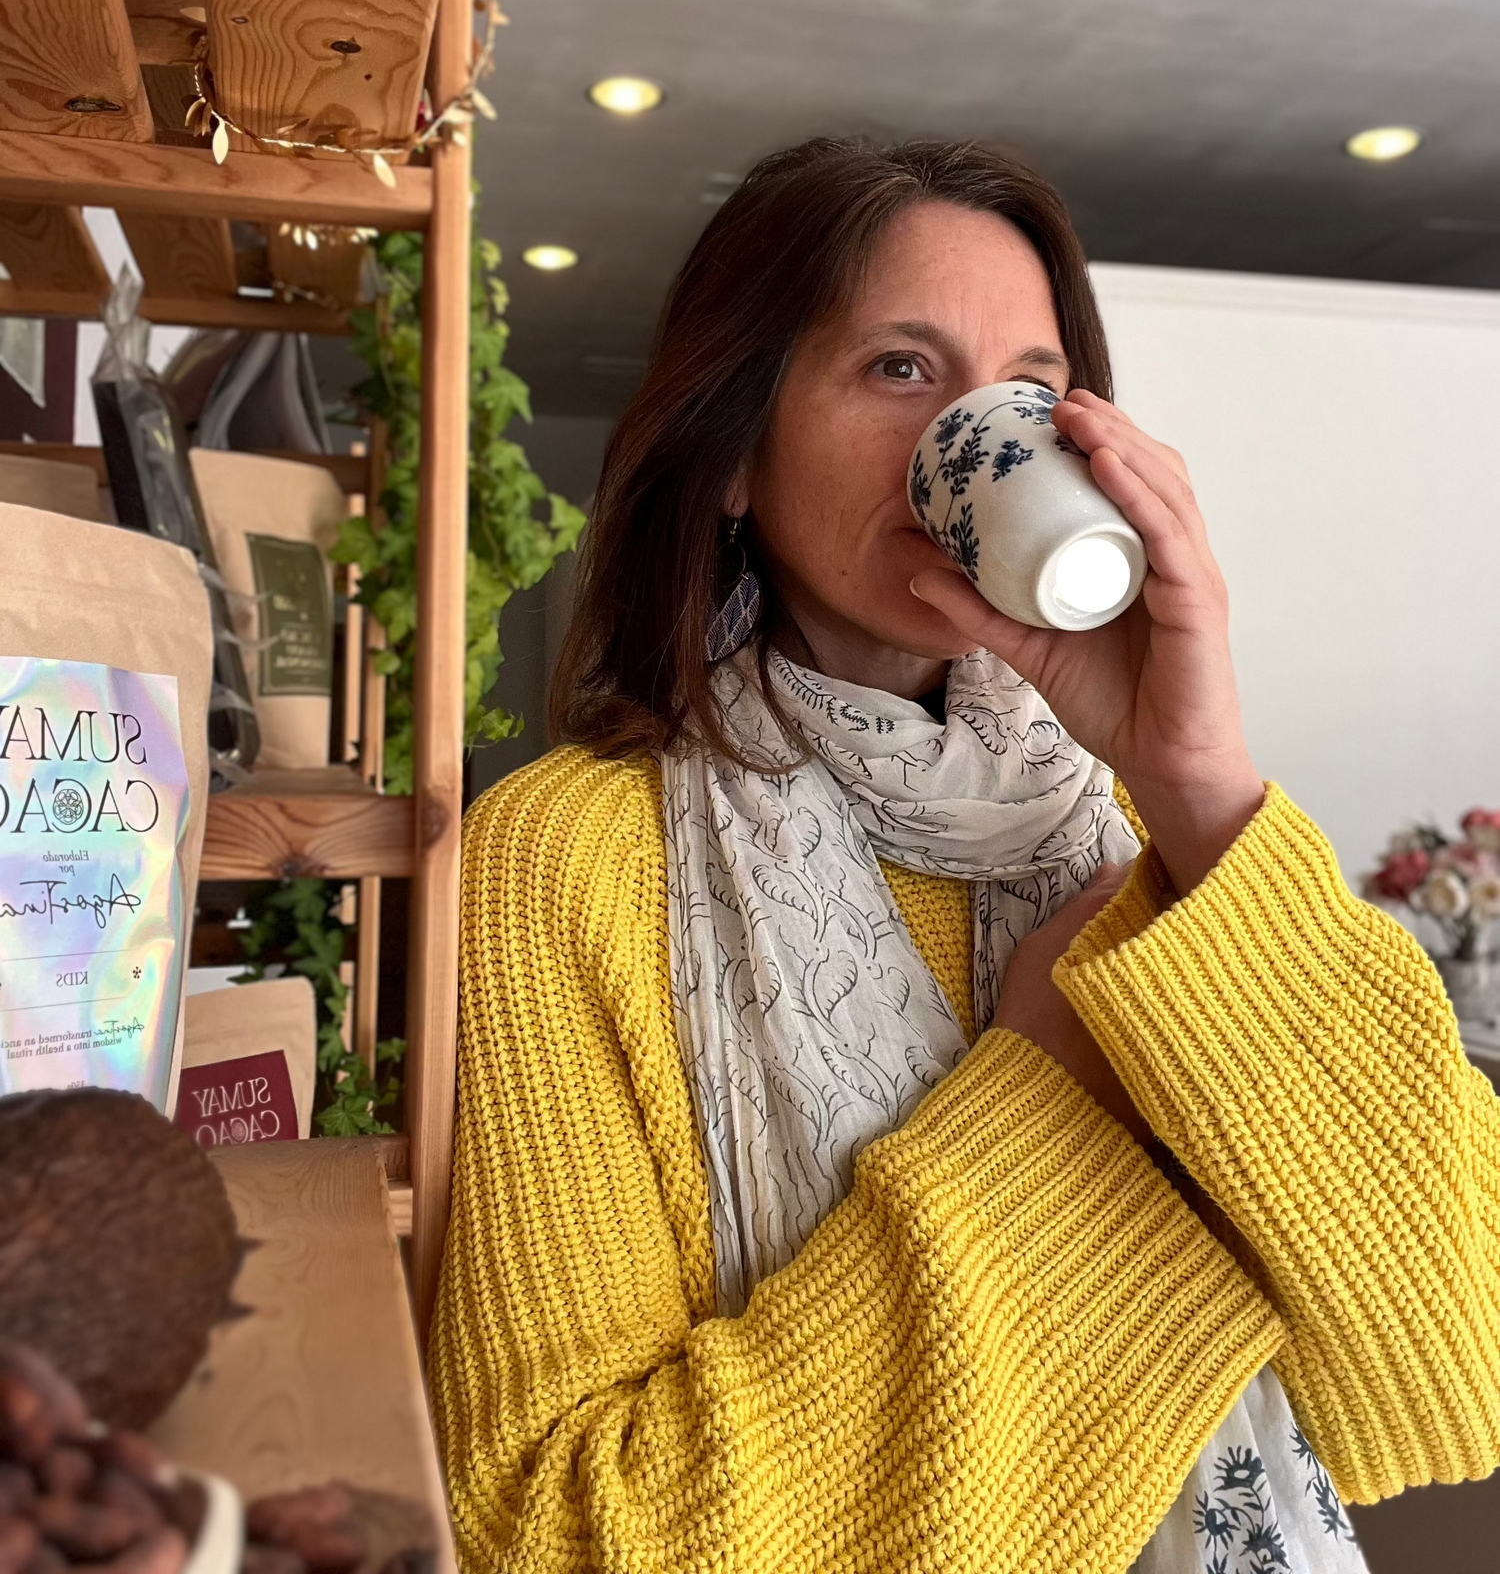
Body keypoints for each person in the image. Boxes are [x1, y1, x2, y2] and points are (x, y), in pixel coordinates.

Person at [429, 137, 1500, 1574]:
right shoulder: (566, 858)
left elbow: (1459, 1348)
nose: (983, 434)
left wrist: (1201, 785)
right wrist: (1054, 1092)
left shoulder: (1137, 834)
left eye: (1030, 389)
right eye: (899, 368)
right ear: (735, 452)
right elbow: (556, 1535)